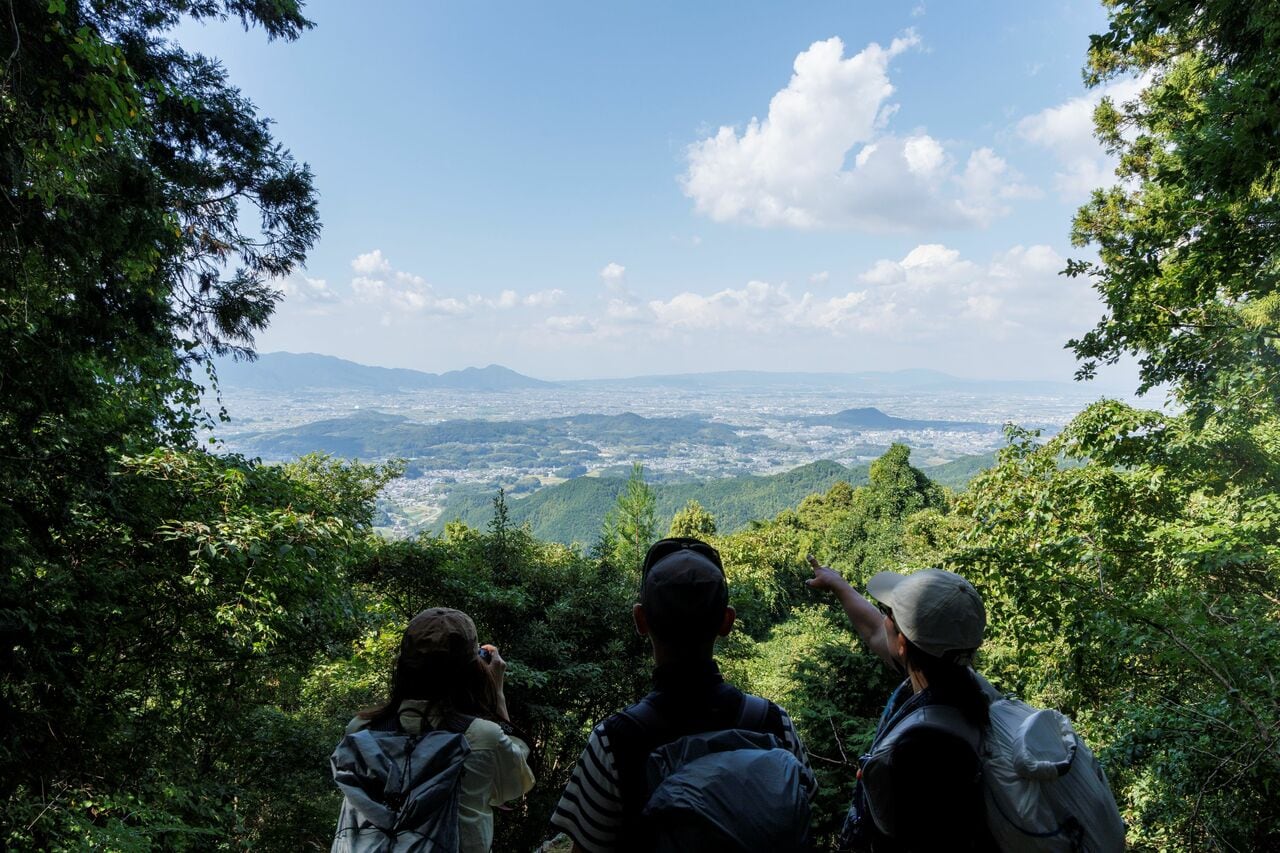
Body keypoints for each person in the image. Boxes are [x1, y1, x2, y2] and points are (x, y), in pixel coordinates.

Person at [549, 537, 818, 853]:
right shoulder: (773, 723)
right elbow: (803, 813)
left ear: (640, 620)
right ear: (727, 622)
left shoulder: (614, 741)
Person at [806, 559, 995, 852]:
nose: (883, 619)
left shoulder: (918, 751)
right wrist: (837, 583)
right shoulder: (965, 684)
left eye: (888, 613)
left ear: (904, 644)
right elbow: (874, 632)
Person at [338, 607, 535, 853]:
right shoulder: (482, 736)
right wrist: (497, 694)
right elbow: (511, 788)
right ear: (472, 670)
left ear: (403, 666)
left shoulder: (360, 730)